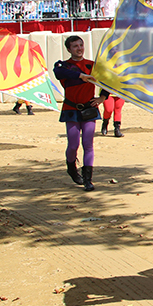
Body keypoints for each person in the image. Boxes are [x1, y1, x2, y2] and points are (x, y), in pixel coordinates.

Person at [54, 35, 108, 191]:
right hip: (71, 109)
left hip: (89, 109)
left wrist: (103, 97)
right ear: (69, 49)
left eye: (81, 45)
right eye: (75, 46)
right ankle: (71, 167)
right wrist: (81, 76)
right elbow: (59, 73)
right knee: (73, 144)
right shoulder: (63, 66)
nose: (79, 48)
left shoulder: (92, 66)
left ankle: (87, 179)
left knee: (88, 144)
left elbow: (107, 80)